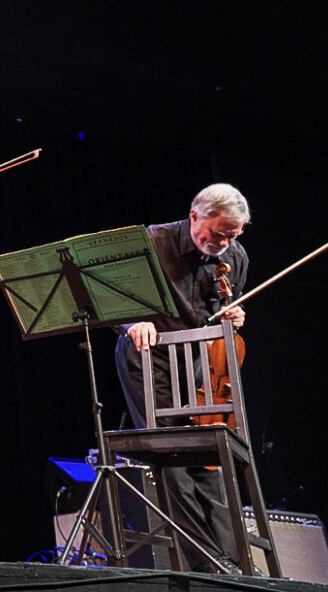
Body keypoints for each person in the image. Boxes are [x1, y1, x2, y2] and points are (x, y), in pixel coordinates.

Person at [113, 183, 250, 573]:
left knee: (210, 456)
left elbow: (227, 306)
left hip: (201, 361)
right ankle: (206, 560)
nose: (222, 242)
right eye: (218, 232)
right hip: (149, 357)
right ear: (195, 216)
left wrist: (234, 316)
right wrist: (131, 321)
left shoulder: (235, 256)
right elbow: (110, 301)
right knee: (173, 452)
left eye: (232, 235)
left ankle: (232, 556)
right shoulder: (152, 243)